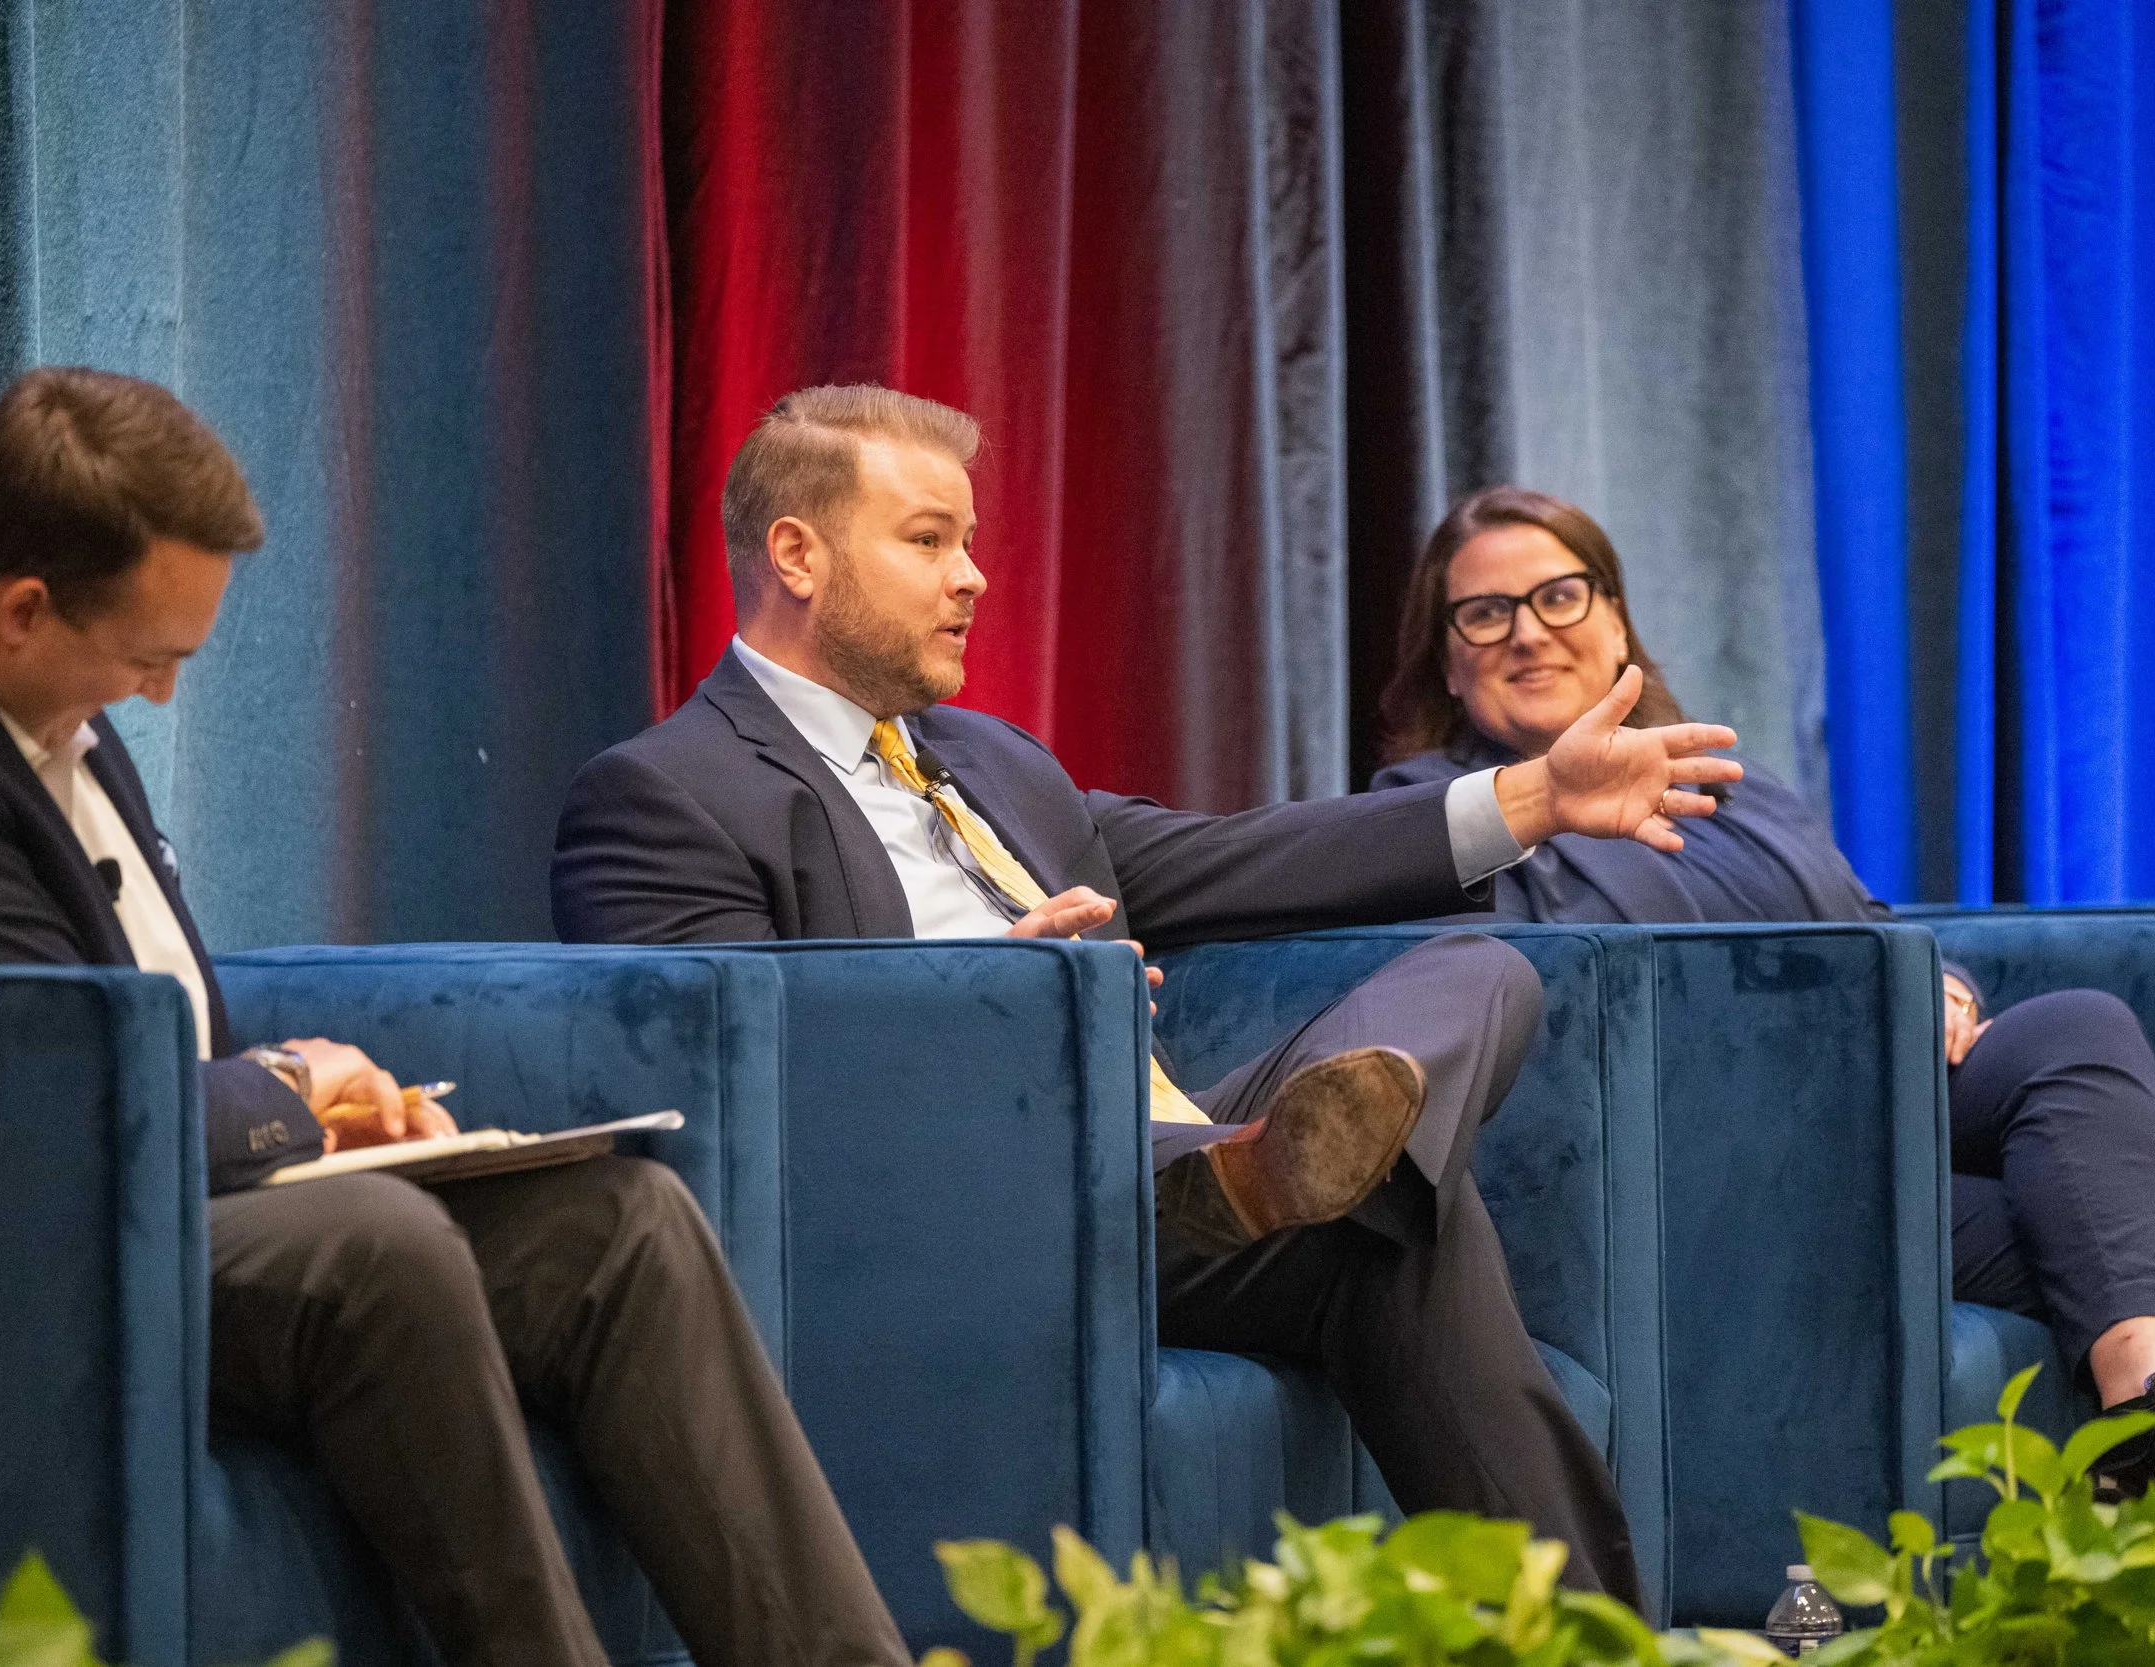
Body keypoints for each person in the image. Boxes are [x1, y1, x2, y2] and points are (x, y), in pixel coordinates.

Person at [550, 385, 1747, 1609]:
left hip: (1166, 1169)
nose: (970, 577)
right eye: (928, 539)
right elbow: (717, 1098)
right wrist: (990, 999)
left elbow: (1246, 856)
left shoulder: (996, 760)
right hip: (970, 1217)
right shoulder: (665, 795)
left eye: (970, 543)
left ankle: (1237, 1184)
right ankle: (1598, 1639)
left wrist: (1536, 797)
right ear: (796, 553)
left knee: (1477, 977)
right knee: (1404, 1215)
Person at [0, 367, 913, 1667]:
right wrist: (292, 1103)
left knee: (622, 1225)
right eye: (151, 657)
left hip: (180, 1190)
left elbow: (154, 1026)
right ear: (25, 608)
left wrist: (303, 1095)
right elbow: (57, 1101)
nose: (161, 697)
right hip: (38, 1251)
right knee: (377, 1239)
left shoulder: (45, 694)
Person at [1370, 484, 2155, 1516]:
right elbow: (1501, 1015)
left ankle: (2153, 1406)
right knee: (2111, 1237)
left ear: (1615, 618)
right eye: (1485, 613)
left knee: (2079, 1025)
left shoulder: (1733, 785)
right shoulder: (1435, 816)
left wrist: (1938, 983)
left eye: (1559, 595)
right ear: (1447, 659)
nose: (1528, 632)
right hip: (1726, 1167)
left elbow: (1875, 923)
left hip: (1883, 1109)